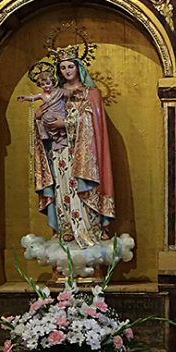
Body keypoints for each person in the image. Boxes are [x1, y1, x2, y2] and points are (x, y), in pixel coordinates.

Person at [30, 47, 114, 248]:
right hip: (60, 149)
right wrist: (41, 118)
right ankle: (66, 227)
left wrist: (64, 123)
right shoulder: (54, 93)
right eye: (63, 67)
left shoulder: (91, 93)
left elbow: (92, 121)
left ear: (78, 68)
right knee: (63, 186)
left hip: (84, 152)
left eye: (70, 66)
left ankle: (91, 228)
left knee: (81, 186)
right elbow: (40, 114)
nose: (67, 71)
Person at [18, 71, 67, 154]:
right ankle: (55, 137)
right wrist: (25, 98)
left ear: (53, 82)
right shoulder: (42, 95)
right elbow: (33, 97)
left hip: (60, 112)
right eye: (42, 84)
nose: (46, 86)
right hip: (50, 113)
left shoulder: (58, 92)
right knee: (45, 119)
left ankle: (62, 134)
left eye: (48, 83)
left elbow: (68, 93)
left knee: (61, 121)